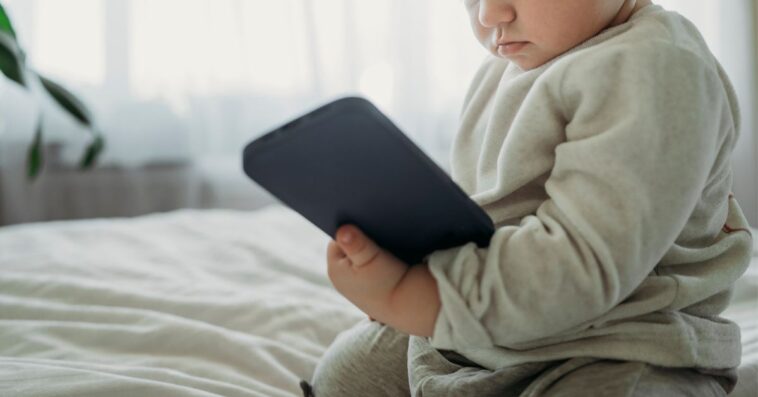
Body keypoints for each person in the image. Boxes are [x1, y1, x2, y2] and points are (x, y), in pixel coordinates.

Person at [302, 0, 753, 395]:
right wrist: (409, 262)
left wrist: (419, 296)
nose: (489, 14)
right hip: (497, 330)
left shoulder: (655, 66)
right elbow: (491, 211)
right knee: (345, 375)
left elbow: (582, 264)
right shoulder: (514, 61)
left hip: (619, 344)